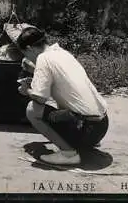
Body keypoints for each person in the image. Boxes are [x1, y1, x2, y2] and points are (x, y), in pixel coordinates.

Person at [16, 27, 109, 165]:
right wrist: (34, 69)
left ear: (30, 48)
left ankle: (68, 154)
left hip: (84, 130)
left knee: (32, 109)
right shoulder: (62, 53)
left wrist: (27, 91)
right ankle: (84, 144)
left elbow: (40, 98)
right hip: (101, 127)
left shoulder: (42, 58)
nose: (27, 58)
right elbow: (59, 77)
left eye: (26, 54)